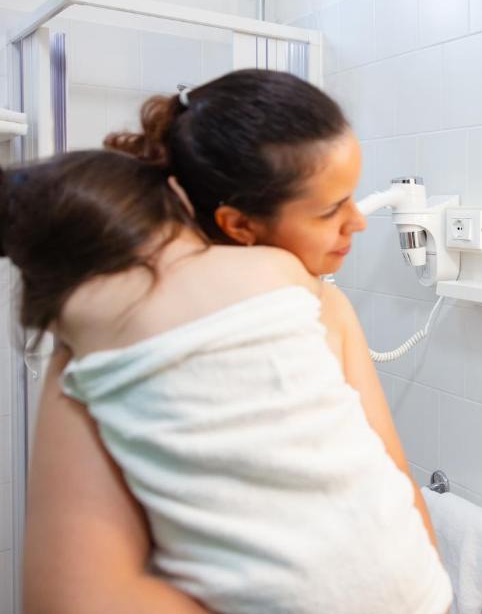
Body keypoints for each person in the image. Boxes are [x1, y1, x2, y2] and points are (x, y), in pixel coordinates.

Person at [19, 70, 452, 613]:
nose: (358, 222)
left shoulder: (323, 304)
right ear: (239, 225)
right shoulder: (106, 339)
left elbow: (393, 486)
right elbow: (74, 601)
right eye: (329, 209)